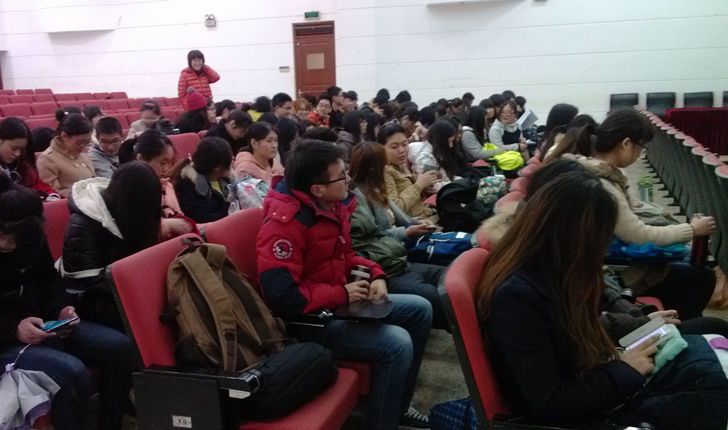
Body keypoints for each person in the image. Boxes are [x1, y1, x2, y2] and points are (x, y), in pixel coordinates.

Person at [475, 171, 728, 429]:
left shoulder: (550, 272)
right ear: (575, 238)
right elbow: (551, 400)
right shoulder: (517, 297)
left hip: (598, 377)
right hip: (584, 412)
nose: (603, 249)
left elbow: (571, 333)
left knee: (708, 342)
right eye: (600, 239)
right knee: (711, 383)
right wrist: (625, 369)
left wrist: (638, 328)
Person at [257, 140, 433, 429]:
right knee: (397, 343)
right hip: (307, 322)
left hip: (334, 305)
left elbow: (346, 255)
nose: (349, 180)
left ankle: (399, 406)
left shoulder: (330, 206)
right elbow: (282, 297)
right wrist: (341, 293)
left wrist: (376, 274)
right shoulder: (284, 226)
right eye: (341, 176)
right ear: (317, 189)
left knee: (420, 309)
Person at [0, 174, 133, 430]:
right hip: (6, 340)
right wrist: (14, 328)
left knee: (119, 348)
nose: (6, 244)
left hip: (41, 325)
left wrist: (61, 310)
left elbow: (49, 280)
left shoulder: (31, 239)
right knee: (70, 372)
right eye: (3, 234)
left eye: (14, 238)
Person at [568, 109, 716, 319]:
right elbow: (639, 235)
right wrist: (691, 229)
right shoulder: (603, 184)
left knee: (686, 264)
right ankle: (684, 327)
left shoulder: (594, 170)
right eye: (641, 147)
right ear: (626, 143)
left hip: (607, 260)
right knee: (699, 276)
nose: (640, 155)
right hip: (613, 270)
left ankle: (682, 324)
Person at [349, 142, 447, 329]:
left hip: (397, 256)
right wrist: (406, 231)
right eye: (383, 164)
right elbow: (376, 235)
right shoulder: (356, 199)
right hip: (389, 262)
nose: (386, 168)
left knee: (449, 275)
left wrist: (417, 224)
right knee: (433, 295)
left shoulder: (376, 189)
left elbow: (402, 219)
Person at [60, 162, 162, 331]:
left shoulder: (130, 214)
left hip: (123, 291)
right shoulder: (83, 223)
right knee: (151, 323)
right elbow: (88, 286)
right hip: (90, 298)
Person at [130, 129, 194, 239]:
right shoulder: (130, 189)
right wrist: (166, 225)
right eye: (163, 163)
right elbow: (138, 233)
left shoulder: (167, 186)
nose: (167, 168)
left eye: (170, 162)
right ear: (140, 159)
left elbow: (182, 222)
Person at [379, 123, 439, 222]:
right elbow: (395, 210)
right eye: (394, 147)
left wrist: (425, 188)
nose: (402, 150)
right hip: (416, 224)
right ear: (381, 148)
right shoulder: (384, 171)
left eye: (404, 144)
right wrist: (419, 185)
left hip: (426, 214)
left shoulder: (401, 164)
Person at [175, 137, 233, 223]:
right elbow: (203, 218)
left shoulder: (228, 180)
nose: (233, 160)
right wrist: (229, 208)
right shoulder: (192, 186)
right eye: (230, 158)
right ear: (217, 167)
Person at [36, 113, 94, 197]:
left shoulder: (83, 155)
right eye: (80, 142)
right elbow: (53, 194)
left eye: (87, 142)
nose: (84, 147)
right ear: (64, 136)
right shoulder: (47, 159)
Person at [0, 118, 57, 198]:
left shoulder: (22, 164)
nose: (18, 154)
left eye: (21, 150)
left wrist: (51, 196)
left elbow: (38, 185)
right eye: (14, 148)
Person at [412, 119, 460, 186]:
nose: (451, 145)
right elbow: (433, 186)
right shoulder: (426, 158)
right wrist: (457, 184)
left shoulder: (437, 153)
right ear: (440, 141)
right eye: (449, 142)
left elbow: (446, 178)